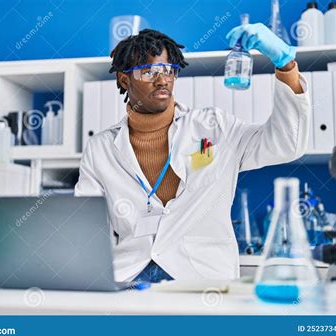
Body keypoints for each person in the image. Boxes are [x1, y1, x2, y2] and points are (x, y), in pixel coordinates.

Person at [75, 24, 310, 283]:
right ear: (123, 79)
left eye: (168, 70)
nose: (162, 79)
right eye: (149, 71)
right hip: (129, 277)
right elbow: (86, 228)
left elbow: (287, 143)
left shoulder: (213, 126)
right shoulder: (100, 148)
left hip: (201, 277)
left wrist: (286, 65)